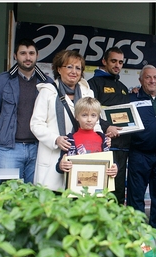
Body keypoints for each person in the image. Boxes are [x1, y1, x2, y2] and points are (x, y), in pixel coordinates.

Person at [30, 49, 102, 192]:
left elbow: (96, 121)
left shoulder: (87, 92)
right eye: (69, 67)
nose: (74, 71)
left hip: (83, 156)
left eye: (78, 68)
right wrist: (55, 139)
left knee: (79, 200)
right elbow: (36, 124)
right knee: (53, 204)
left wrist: (101, 137)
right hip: (54, 156)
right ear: (58, 69)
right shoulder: (48, 91)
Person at [0, 38, 53, 184]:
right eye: (23, 53)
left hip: (38, 149)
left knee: (35, 197)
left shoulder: (47, 82)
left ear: (37, 55)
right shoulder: (2, 80)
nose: (27, 57)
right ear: (15, 56)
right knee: (10, 196)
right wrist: (2, 132)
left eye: (31, 53)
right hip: (9, 149)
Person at [127, 65, 156, 242]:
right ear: (140, 80)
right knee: (136, 195)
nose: (152, 80)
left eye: (155, 77)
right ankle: (137, 232)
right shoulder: (132, 98)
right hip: (139, 153)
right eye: (148, 77)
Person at [88, 47, 131, 206]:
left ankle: (116, 227)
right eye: (113, 61)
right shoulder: (93, 84)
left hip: (122, 147)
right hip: (102, 145)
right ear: (104, 61)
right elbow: (90, 113)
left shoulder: (123, 87)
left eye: (120, 62)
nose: (117, 65)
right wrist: (106, 127)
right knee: (101, 191)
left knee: (118, 191)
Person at [55, 97, 118, 179]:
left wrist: (114, 168)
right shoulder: (69, 140)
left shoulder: (103, 139)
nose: (89, 119)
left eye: (93, 115)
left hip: (99, 186)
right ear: (77, 117)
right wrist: (61, 165)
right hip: (76, 187)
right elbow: (60, 166)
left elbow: (111, 162)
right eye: (84, 115)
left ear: (98, 118)